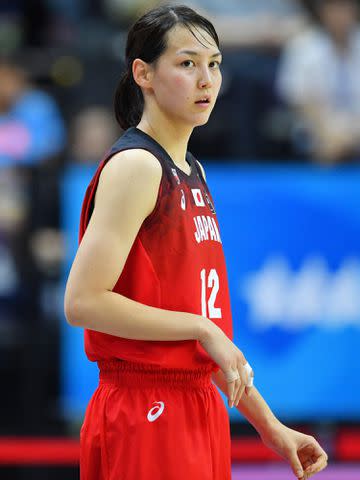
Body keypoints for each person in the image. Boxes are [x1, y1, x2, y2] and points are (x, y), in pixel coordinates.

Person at [64, 4, 328, 480]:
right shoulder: (136, 166)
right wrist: (201, 329)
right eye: (187, 63)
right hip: (145, 407)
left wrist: (270, 427)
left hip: (198, 402)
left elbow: (208, 333)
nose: (206, 79)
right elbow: (82, 302)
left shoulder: (193, 171)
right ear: (143, 73)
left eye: (214, 64)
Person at [277, 0, 360, 163]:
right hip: (315, 132)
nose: (340, 15)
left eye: (345, 8)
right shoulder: (302, 45)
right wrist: (327, 134)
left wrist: (351, 136)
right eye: (334, 9)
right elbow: (299, 99)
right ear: (323, 12)